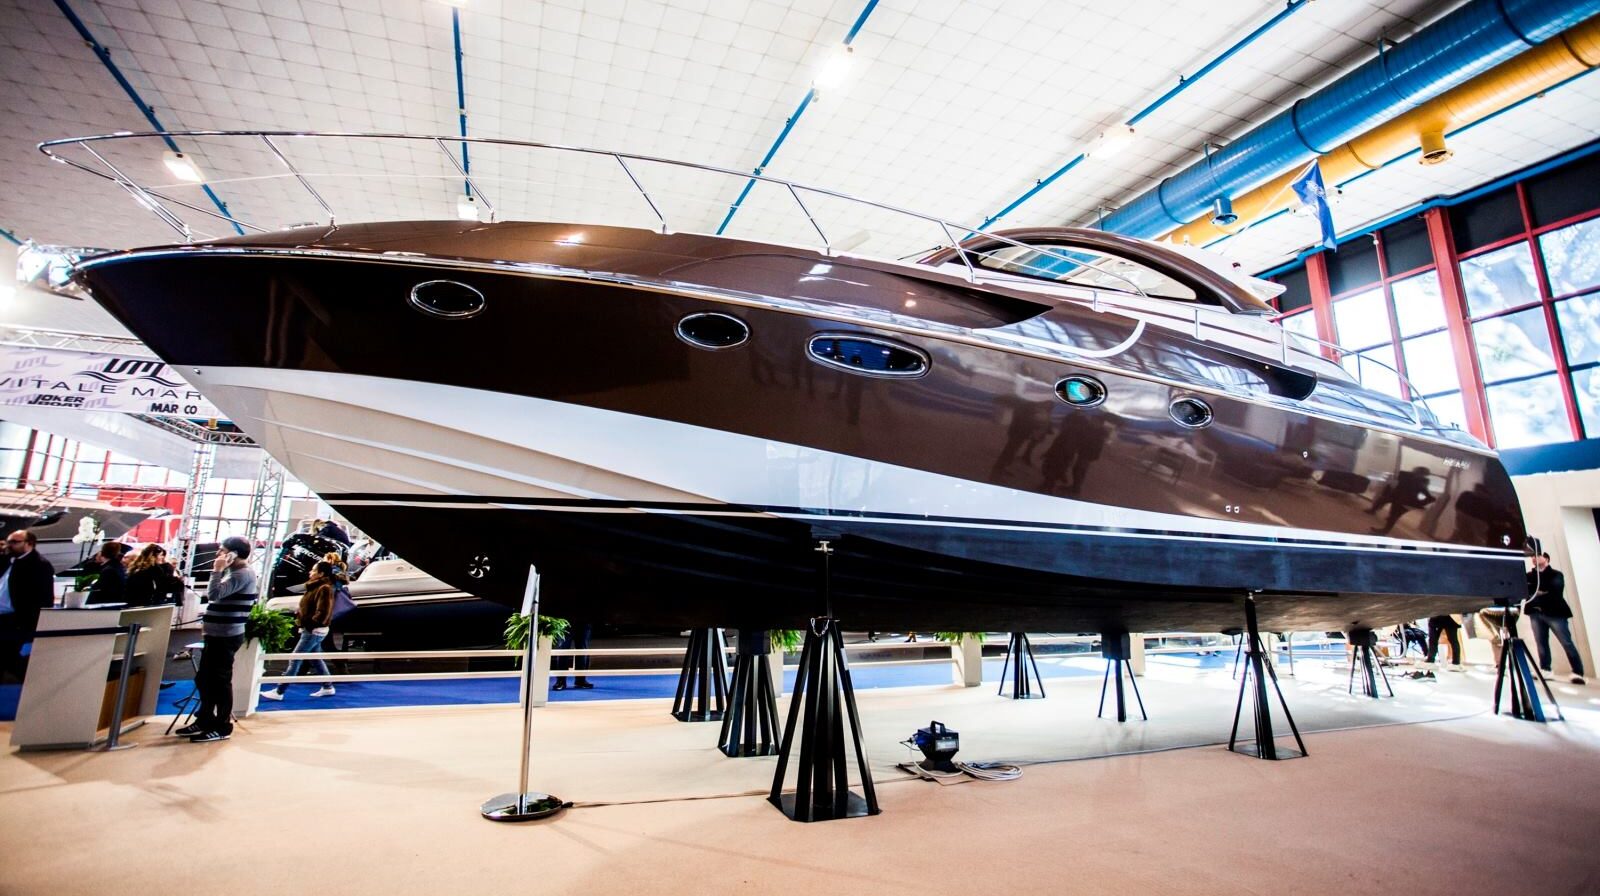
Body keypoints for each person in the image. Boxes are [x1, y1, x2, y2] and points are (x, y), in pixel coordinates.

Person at [179, 536, 259, 743]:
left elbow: (214, 594)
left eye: (222, 551)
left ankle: (222, 725)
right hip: (216, 634)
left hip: (226, 635)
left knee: (220, 681)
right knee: (204, 679)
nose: (218, 555)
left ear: (233, 553)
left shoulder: (242, 574)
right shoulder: (234, 573)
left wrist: (217, 570)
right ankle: (205, 718)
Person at [261, 561, 336, 701]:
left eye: (313, 570)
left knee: (295, 659)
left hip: (313, 630)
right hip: (313, 629)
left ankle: (279, 691)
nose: (310, 572)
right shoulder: (317, 587)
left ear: (321, 573)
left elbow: (323, 612)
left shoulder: (324, 588)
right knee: (316, 659)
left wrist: (309, 624)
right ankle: (328, 686)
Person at [0, 529, 55, 682]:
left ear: (29, 544)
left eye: (14, 542)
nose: (9, 545)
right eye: (8, 541)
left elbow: (44, 599)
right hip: (5, 618)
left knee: (9, 657)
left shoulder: (40, 565)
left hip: (15, 621)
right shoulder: (9, 560)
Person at [1526, 552, 1585, 685]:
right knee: (1541, 643)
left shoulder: (1556, 574)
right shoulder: (1529, 576)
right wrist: (1538, 592)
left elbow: (1555, 591)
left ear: (1546, 558)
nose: (1534, 558)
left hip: (1555, 613)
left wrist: (1535, 593)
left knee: (1566, 642)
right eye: (1532, 557)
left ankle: (1578, 672)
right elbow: (1526, 591)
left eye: (1537, 556)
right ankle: (1545, 669)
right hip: (1535, 613)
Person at [551, 622, 593, 690]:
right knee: (563, 649)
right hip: (565, 621)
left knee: (583, 650)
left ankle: (581, 680)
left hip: (584, 620)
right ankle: (561, 681)